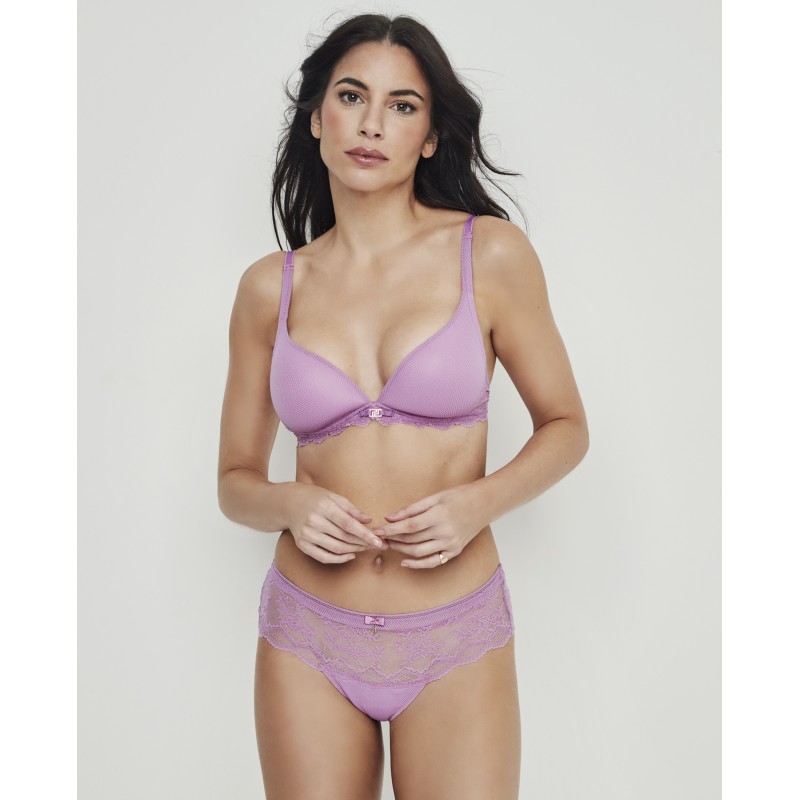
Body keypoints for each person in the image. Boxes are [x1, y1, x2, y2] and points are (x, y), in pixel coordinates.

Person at [217, 12, 589, 800]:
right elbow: (234, 482)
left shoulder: (490, 255)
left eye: (403, 105)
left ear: (429, 136)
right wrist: (289, 504)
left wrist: (477, 504)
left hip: (454, 632)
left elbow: (567, 427)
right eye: (352, 96)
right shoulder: (268, 289)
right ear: (316, 117)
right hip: (307, 635)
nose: (372, 124)